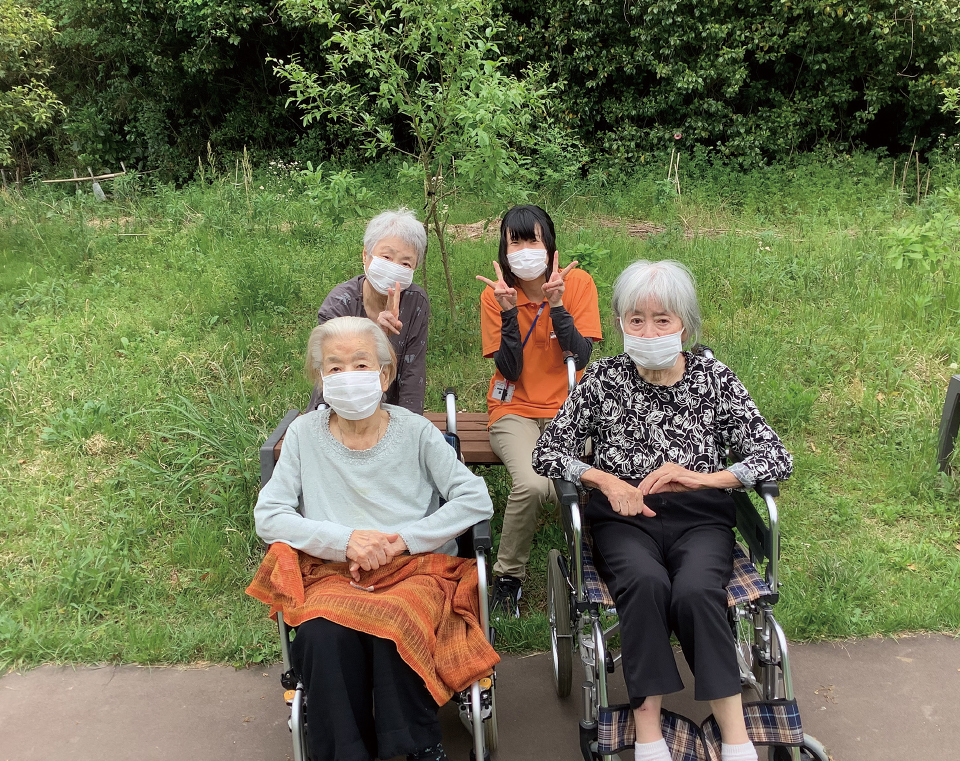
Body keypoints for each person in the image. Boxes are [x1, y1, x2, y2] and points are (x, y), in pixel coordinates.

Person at [532, 260, 793, 761]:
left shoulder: (714, 379)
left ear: (685, 326)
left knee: (698, 591)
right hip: (625, 519)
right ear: (619, 325)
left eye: (662, 319)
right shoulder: (603, 380)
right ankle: (648, 731)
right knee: (647, 585)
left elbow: (775, 456)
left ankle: (734, 735)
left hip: (700, 517)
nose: (648, 330)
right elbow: (548, 451)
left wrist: (703, 477)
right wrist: (606, 479)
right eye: (635, 319)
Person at [250, 316, 496, 761]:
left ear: (384, 375)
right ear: (320, 379)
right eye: (335, 367)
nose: (347, 378)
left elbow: (475, 499)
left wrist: (402, 540)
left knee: (398, 620)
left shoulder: (416, 431)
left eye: (360, 365)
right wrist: (344, 541)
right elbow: (269, 515)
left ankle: (418, 746)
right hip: (335, 574)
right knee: (321, 635)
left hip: (412, 571)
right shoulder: (304, 435)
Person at [476, 204, 602, 617]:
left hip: (570, 406)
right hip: (514, 409)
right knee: (534, 485)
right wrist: (510, 312)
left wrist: (559, 305)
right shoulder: (495, 295)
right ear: (505, 247)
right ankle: (508, 577)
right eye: (517, 241)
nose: (526, 248)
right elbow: (508, 368)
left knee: (605, 468)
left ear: (549, 244)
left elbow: (580, 354)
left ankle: (597, 564)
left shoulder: (578, 283)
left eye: (533, 239)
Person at [306, 208, 430, 415]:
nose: (394, 267)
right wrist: (374, 335)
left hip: (392, 412)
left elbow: (413, 373)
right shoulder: (339, 303)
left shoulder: (416, 302)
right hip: (337, 411)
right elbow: (331, 372)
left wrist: (411, 425)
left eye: (405, 263)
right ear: (366, 255)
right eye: (386, 257)